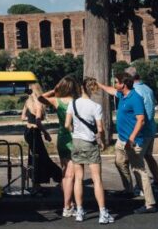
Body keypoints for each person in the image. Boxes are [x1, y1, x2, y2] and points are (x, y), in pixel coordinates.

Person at [97, 72, 157, 214]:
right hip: (122, 140)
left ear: (123, 84)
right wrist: (98, 84)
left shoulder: (135, 97)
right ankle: (129, 190)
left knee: (139, 170)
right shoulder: (122, 95)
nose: (114, 84)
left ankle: (150, 204)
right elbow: (111, 91)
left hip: (133, 141)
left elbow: (140, 120)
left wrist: (132, 138)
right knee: (119, 162)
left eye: (116, 82)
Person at [65, 76, 114, 224]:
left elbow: (67, 124)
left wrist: (74, 132)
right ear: (92, 89)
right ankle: (102, 213)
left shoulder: (72, 104)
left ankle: (79, 211)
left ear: (81, 88)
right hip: (90, 143)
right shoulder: (95, 106)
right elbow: (100, 128)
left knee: (78, 178)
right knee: (97, 179)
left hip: (76, 142)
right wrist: (103, 141)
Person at [39, 76, 78, 217]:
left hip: (62, 137)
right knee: (70, 175)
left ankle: (71, 202)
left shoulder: (57, 101)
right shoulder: (77, 102)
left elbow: (40, 98)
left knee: (65, 172)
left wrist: (53, 90)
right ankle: (67, 206)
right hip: (74, 137)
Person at [126, 66, 158, 193]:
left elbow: (138, 116)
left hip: (141, 131)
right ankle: (157, 183)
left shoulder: (134, 92)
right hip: (151, 128)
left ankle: (141, 187)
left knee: (137, 162)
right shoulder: (148, 88)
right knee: (148, 156)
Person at [22, 83, 57, 192]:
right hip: (34, 132)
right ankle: (56, 176)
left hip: (27, 131)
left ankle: (34, 181)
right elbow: (38, 121)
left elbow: (22, 117)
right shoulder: (39, 103)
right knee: (42, 157)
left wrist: (29, 118)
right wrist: (46, 133)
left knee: (35, 156)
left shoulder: (27, 102)